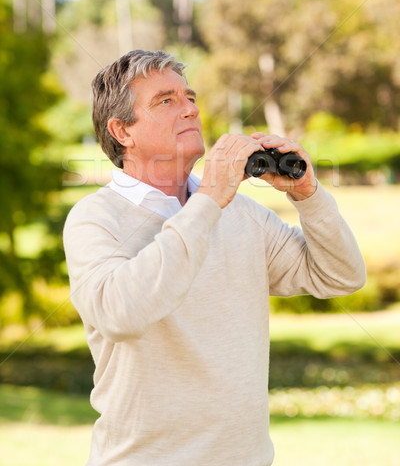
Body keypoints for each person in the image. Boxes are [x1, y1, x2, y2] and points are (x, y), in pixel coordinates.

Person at [63, 49, 366, 466]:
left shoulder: (241, 214)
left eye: (190, 97)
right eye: (166, 101)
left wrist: (308, 195)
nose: (190, 109)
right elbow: (122, 313)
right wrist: (208, 199)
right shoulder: (95, 219)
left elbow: (340, 276)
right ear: (122, 131)